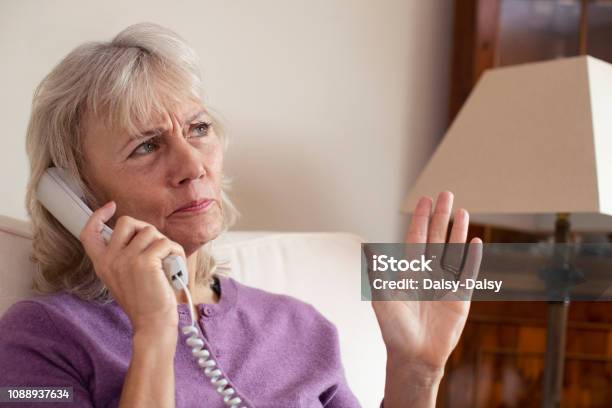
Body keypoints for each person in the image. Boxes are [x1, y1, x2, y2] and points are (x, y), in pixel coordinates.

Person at [0, 23, 481, 407]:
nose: (192, 166)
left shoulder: (298, 326)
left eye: (199, 129)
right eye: (146, 146)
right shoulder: (39, 337)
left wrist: (416, 373)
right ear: (75, 193)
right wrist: (153, 330)